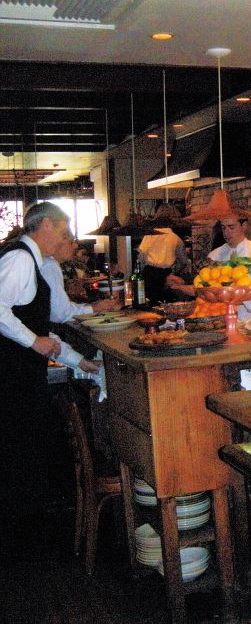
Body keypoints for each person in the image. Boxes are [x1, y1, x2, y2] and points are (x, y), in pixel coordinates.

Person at [0, 203, 74, 528]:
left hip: (20, 369)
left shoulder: (29, 258)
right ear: (46, 225)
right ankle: (23, 524)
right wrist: (34, 341)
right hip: (12, 370)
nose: (64, 238)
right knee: (19, 440)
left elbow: (29, 317)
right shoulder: (20, 259)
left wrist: (66, 353)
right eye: (62, 230)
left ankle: (26, 515)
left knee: (24, 439)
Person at [166, 214, 251, 323]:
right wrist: (179, 287)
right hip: (220, 321)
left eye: (231, 227)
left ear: (244, 226)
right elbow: (204, 288)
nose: (226, 232)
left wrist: (242, 298)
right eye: (223, 228)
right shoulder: (214, 255)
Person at [40, 230, 117, 373]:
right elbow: (60, 313)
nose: (75, 246)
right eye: (71, 241)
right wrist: (95, 308)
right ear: (57, 243)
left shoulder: (47, 263)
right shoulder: (49, 265)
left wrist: (78, 361)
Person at [138, 226, 188, 305]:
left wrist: (143, 267)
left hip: (149, 271)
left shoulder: (148, 236)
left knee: (148, 300)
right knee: (166, 301)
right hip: (166, 272)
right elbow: (183, 260)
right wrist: (176, 270)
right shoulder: (175, 238)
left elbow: (141, 255)